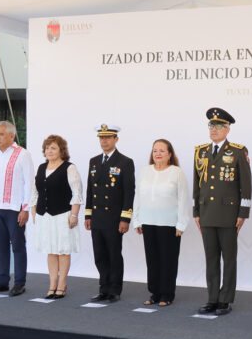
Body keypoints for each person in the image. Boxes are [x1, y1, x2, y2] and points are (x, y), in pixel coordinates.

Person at [193, 108, 252, 315]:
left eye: (219, 126)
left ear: (227, 130)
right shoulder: (200, 151)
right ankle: (212, 298)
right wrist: (196, 212)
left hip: (228, 214)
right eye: (211, 125)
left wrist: (242, 213)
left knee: (228, 258)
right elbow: (197, 184)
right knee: (210, 258)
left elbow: (246, 184)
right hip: (207, 213)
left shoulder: (237, 151)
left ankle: (225, 299)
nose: (214, 129)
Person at [133, 139, 190, 307]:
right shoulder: (145, 171)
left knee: (168, 259)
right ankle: (155, 293)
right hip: (148, 221)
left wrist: (181, 224)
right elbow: (138, 196)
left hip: (169, 223)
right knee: (152, 259)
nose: (157, 153)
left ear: (170, 154)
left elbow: (183, 199)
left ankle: (167, 294)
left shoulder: (176, 172)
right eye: (155, 150)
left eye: (162, 150)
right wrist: (136, 219)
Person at [0, 121, 34, 297]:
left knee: (18, 246)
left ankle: (19, 283)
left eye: (1, 134)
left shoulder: (23, 154)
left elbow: (29, 183)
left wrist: (25, 208)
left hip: (14, 208)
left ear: (12, 135)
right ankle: (2, 281)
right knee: (0, 246)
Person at [84, 124, 135, 303]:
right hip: (97, 217)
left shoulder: (125, 162)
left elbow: (129, 193)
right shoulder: (94, 161)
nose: (104, 141)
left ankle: (114, 289)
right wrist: (88, 215)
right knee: (99, 254)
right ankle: (103, 288)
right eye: (101, 138)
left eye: (108, 137)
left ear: (116, 139)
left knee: (114, 254)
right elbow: (90, 190)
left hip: (114, 218)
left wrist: (125, 218)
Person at [30, 135, 83, 299]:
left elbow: (77, 193)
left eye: (53, 148)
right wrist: (34, 213)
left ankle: (62, 284)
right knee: (50, 251)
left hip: (63, 215)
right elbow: (35, 193)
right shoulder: (40, 168)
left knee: (63, 251)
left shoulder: (69, 168)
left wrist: (74, 215)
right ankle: (52, 284)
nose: (49, 151)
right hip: (43, 216)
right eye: (47, 148)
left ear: (61, 150)